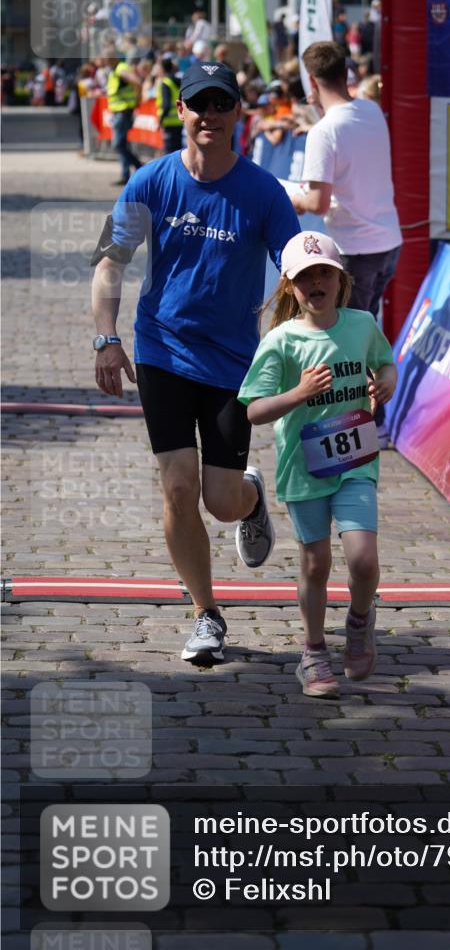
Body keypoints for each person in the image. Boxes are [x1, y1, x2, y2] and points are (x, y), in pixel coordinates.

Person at [91, 61, 300, 664]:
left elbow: (296, 269)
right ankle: (206, 613)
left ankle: (250, 499)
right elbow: (109, 262)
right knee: (179, 487)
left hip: (233, 363)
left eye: (221, 103)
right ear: (180, 110)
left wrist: (308, 341)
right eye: (199, 103)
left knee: (220, 501)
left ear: (238, 112)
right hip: (161, 350)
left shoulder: (263, 192)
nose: (209, 115)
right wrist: (107, 339)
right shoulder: (150, 182)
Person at [238, 230, 397, 698]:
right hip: (303, 467)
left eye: (324, 273)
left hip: (355, 462)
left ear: (341, 279)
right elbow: (255, 410)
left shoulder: (362, 324)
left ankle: (359, 622)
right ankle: (312, 652)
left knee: (363, 559)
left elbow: (385, 362)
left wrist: (385, 382)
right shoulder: (281, 341)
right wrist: (299, 393)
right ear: (289, 285)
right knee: (316, 564)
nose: (316, 283)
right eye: (305, 277)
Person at [292, 41, 402, 323]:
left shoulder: (323, 132)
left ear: (312, 82)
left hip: (355, 249)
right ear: (345, 73)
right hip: (387, 242)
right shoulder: (372, 110)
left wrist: (295, 200)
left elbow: (317, 203)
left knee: (348, 336)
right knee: (365, 329)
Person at [106, 47, 144, 186]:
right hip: (120, 112)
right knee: (123, 144)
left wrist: (137, 100)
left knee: (118, 144)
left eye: (107, 58)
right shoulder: (115, 70)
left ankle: (140, 167)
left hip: (123, 112)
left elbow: (137, 82)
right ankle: (125, 174)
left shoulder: (120, 69)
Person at [155, 56, 182, 153]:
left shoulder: (166, 83)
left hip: (169, 122)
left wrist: (160, 121)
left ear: (162, 69)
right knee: (178, 151)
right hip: (179, 121)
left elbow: (166, 105)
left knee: (169, 152)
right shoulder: (179, 81)